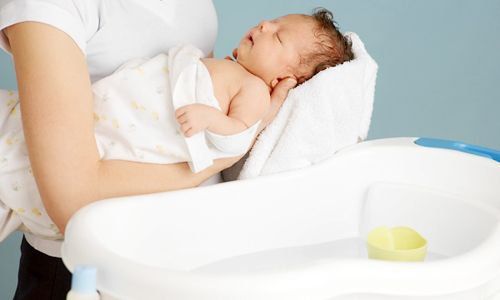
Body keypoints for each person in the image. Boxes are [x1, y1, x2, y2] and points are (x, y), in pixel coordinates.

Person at [0, 0, 296, 298]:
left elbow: (198, 107)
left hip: (186, 256)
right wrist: (222, 155)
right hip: (89, 267)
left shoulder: (197, 7)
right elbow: (75, 201)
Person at [1, 7, 353, 246]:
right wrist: (210, 160)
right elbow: (72, 200)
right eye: (271, 22)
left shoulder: (252, 87)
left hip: (171, 236)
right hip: (84, 257)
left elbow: (236, 132)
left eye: (277, 37)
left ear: (284, 78)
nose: (264, 26)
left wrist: (215, 129)